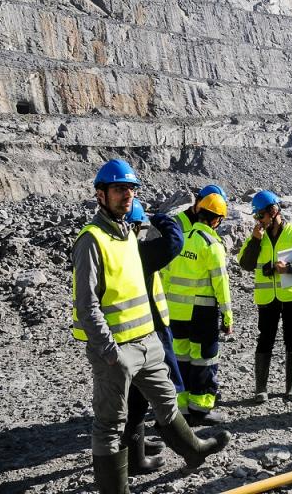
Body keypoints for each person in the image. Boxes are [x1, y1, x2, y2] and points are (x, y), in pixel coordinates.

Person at [72, 160, 230, 493]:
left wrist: (152, 341)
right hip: (116, 350)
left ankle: (194, 450)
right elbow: (86, 305)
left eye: (130, 189)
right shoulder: (92, 240)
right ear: (100, 195)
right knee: (110, 426)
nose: (126, 195)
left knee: (167, 403)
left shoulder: (128, 235)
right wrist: (109, 351)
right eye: (118, 189)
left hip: (147, 342)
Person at [121, 200, 185, 474]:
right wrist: (159, 217)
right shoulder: (138, 253)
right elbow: (174, 241)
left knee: (131, 395)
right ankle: (138, 459)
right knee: (146, 394)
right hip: (146, 329)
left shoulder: (114, 252)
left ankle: (136, 446)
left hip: (126, 331)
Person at [237, 191, 292, 403]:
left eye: (260, 216)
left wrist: (289, 268)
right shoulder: (258, 237)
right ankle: (261, 389)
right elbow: (245, 264)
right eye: (256, 217)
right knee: (265, 339)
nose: (258, 220)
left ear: (273, 211)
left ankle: (291, 387)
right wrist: (255, 240)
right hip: (267, 297)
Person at [165, 192, 234, 426]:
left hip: (175, 312)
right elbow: (220, 283)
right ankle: (201, 408)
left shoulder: (182, 239)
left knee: (180, 358)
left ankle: (181, 408)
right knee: (205, 358)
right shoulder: (212, 245)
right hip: (201, 312)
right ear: (217, 220)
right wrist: (227, 314)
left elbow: (166, 275)